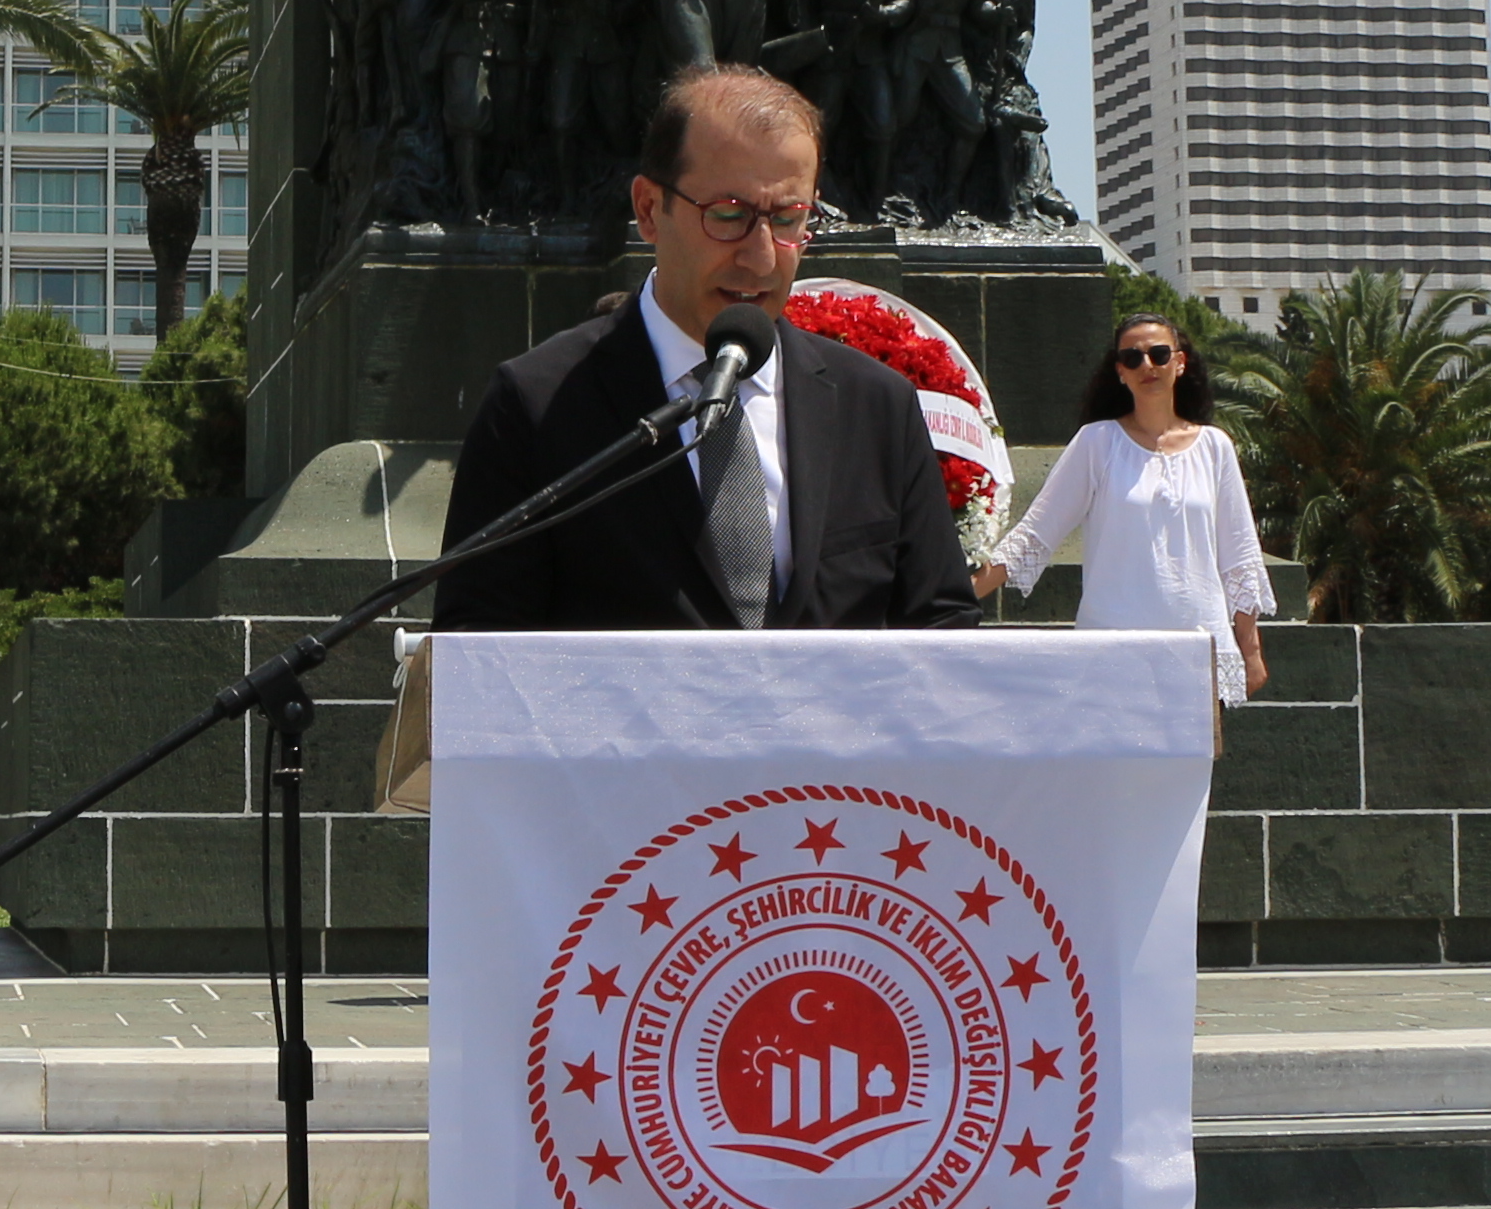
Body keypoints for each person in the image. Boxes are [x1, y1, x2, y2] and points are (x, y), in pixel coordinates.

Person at [375, 64, 975, 807]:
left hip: (838, 852)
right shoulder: (538, 402)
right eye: (728, 214)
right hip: (619, 852)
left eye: (787, 219)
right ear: (649, 209)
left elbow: (943, 635)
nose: (760, 256)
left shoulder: (875, 407)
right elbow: (482, 650)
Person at [976, 313, 1268, 707]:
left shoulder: (1215, 447)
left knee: (1186, 770)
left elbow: (1239, 556)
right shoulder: (1097, 443)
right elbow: (1034, 535)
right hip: (1112, 649)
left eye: (1159, 354)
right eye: (1133, 358)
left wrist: (1250, 651)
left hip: (1197, 646)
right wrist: (954, 598)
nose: (1147, 365)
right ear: (1120, 372)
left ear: (1179, 363)